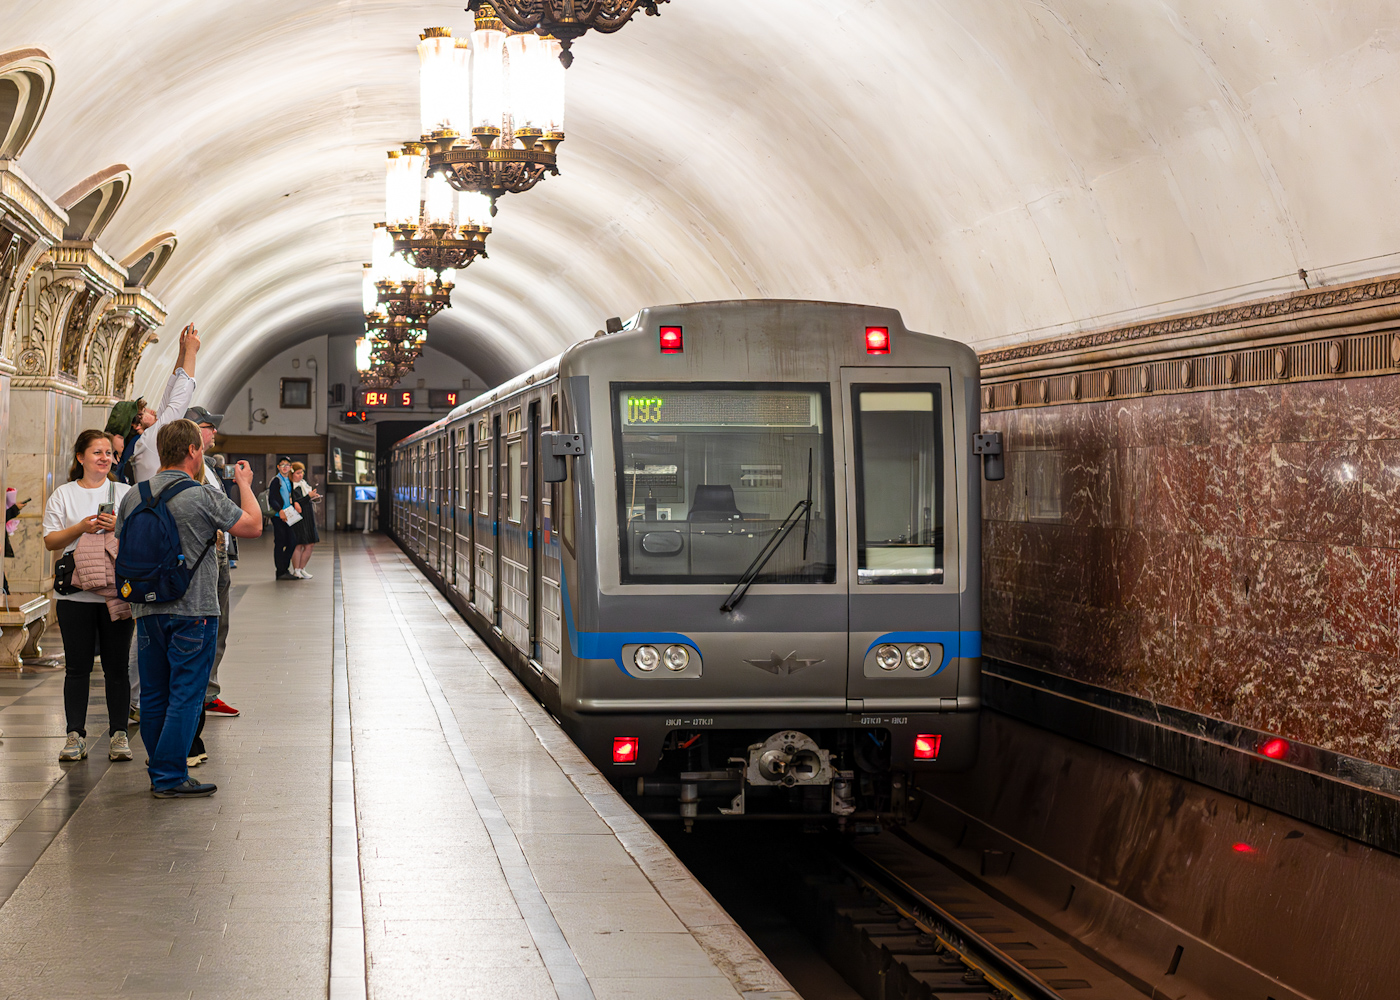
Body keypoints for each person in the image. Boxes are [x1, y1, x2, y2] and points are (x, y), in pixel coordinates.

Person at [114, 419, 262, 798]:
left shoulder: (134, 495)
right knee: (186, 694)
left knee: (154, 694)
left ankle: (160, 766)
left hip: (147, 610)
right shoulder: (200, 495)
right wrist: (244, 484)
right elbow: (253, 526)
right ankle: (168, 775)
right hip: (193, 609)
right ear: (194, 451)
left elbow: (121, 544)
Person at [42, 430, 135, 763]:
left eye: (108, 453)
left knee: (117, 668)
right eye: (97, 452)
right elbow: (51, 541)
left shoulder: (124, 492)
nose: (104, 458)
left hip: (115, 593)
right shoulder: (63, 494)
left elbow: (138, 537)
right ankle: (74, 734)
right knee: (77, 667)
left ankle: (119, 734)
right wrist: (82, 527)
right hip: (74, 596)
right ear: (80, 457)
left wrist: (117, 527)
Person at [130, 322, 200, 485]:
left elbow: (167, 403)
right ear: (136, 426)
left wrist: (182, 353)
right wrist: (191, 353)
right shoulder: (148, 442)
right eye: (143, 413)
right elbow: (177, 405)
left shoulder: (148, 442)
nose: (152, 412)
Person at [267, 456, 300, 581]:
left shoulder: (289, 480)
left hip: (289, 515)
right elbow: (272, 498)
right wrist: (279, 510)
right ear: (278, 467)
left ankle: (284, 568)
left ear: (290, 467)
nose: (285, 467)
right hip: (279, 516)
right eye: (282, 465)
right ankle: (280, 572)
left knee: (292, 541)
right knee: (280, 543)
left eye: (287, 465)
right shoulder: (276, 480)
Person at [288, 462, 321, 578]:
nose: (300, 475)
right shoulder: (291, 487)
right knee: (299, 544)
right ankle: (296, 570)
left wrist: (313, 497)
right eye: (297, 473)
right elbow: (295, 502)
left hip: (308, 516)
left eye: (302, 472)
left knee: (310, 543)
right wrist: (309, 496)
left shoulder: (303, 484)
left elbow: (305, 500)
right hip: (298, 518)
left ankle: (302, 568)